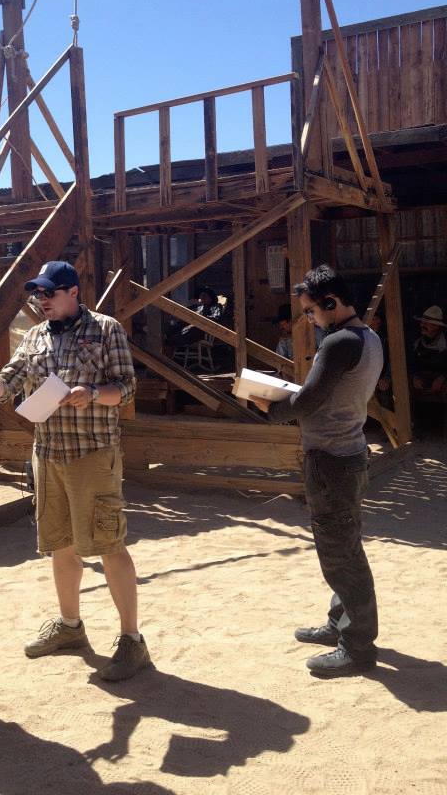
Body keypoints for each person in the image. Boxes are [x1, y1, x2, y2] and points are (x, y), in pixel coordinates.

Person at [0, 260, 152, 682]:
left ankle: (132, 641)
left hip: (93, 455)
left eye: (49, 293)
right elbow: (6, 387)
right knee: (60, 545)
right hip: (47, 455)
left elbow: (127, 388)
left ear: (73, 292)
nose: (41, 301)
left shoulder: (106, 330)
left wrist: (93, 394)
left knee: (108, 544)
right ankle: (69, 628)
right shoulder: (33, 337)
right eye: (38, 295)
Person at [247, 265, 383, 678]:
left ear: (331, 303)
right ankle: (340, 622)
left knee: (341, 555)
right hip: (347, 454)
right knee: (344, 544)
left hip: (331, 459)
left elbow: (308, 401)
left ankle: (357, 646)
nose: (310, 319)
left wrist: (271, 410)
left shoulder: (339, 342)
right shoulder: (368, 337)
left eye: (311, 311)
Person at [165, 285, 224, 354]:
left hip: (202, 330)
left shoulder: (215, 306)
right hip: (189, 328)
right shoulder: (199, 307)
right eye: (201, 296)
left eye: (204, 296)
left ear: (210, 298)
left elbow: (215, 318)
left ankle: (169, 342)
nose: (201, 298)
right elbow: (187, 313)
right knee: (177, 324)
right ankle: (167, 339)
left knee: (192, 329)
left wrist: (198, 320)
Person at [410, 305, 447, 398]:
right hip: (423, 379)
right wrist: (415, 377)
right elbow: (412, 363)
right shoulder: (417, 343)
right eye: (422, 323)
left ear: (436, 326)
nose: (422, 325)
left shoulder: (445, 343)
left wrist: (442, 378)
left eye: (426, 323)